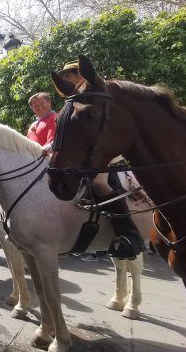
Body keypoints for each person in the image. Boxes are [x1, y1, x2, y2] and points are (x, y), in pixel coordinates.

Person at [56, 62, 143, 259]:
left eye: (69, 77)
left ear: (80, 76)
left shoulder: (99, 96)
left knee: (98, 182)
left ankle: (129, 234)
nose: (68, 82)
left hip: (109, 152)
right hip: (91, 153)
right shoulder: (73, 102)